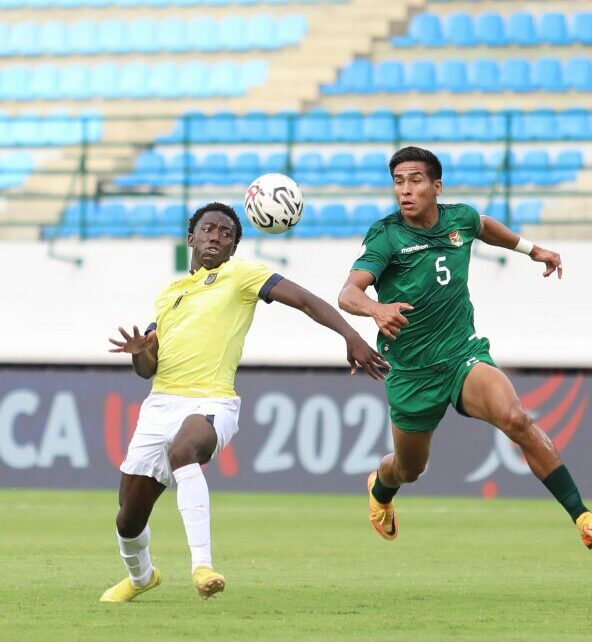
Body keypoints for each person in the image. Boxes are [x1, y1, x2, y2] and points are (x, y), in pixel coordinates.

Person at [101, 201, 388, 603]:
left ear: (233, 247)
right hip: (160, 405)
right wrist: (139, 351)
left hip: (213, 401)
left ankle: (202, 567)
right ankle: (141, 576)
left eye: (226, 234)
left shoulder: (242, 275)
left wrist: (351, 336)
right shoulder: (169, 295)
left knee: (184, 449)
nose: (216, 236)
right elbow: (147, 369)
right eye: (208, 230)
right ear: (191, 238)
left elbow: (306, 301)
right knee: (128, 518)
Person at [338, 146, 592, 549]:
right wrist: (375, 309)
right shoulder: (387, 236)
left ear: (436, 186)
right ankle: (381, 490)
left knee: (516, 418)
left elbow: (483, 225)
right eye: (398, 182)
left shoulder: (459, 219)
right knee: (408, 468)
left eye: (415, 180)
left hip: (461, 355)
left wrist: (532, 250)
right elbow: (348, 293)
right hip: (412, 374)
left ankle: (583, 517)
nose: (405, 190)